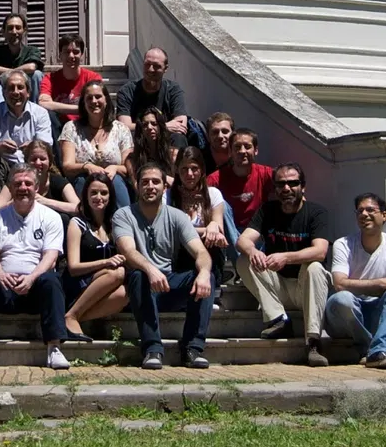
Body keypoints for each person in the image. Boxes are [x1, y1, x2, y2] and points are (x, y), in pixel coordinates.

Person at [0, 164, 70, 370]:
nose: (23, 187)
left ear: (36, 188)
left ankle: (54, 348)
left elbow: (51, 256)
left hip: (36, 289)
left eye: (28, 183)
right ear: (10, 189)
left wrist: (31, 278)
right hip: (5, 287)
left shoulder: (51, 217)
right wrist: (1, 275)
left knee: (52, 279)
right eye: (18, 184)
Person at [114, 161, 214, 369]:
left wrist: (204, 272)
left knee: (207, 277)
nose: (150, 186)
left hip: (169, 284)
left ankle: (192, 349)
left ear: (164, 187)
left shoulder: (176, 216)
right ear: (137, 186)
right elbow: (129, 251)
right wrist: (151, 269)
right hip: (141, 286)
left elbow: (201, 251)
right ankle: (152, 349)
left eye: (156, 182)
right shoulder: (123, 215)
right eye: (145, 182)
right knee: (138, 275)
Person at [235, 163, 332, 367]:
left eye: (292, 183)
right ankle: (279, 319)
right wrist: (254, 251)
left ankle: (313, 341)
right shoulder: (267, 209)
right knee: (244, 260)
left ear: (302, 187)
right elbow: (242, 241)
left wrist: (286, 257)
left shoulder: (316, 213)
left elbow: (320, 251)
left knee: (315, 267)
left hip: (305, 288)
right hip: (278, 287)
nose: (286, 189)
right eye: (281, 184)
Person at [326, 192, 386, 370]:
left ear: (384, 215)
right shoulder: (343, 244)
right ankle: (371, 349)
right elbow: (340, 284)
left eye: (370, 210)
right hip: (345, 316)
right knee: (342, 298)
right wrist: (381, 284)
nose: (364, 214)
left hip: (376, 313)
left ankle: (380, 350)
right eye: (360, 211)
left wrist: (357, 285)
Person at [61, 173, 128, 342]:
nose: (99, 197)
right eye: (93, 193)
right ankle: (72, 315)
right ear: (86, 196)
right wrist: (105, 262)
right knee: (117, 273)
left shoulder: (114, 224)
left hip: (103, 286)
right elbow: (73, 267)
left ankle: (71, 317)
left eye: (103, 193)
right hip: (77, 282)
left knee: (125, 294)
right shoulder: (77, 223)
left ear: (110, 196)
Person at [58, 78, 133, 210]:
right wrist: (87, 167)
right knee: (84, 180)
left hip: (114, 181)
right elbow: (67, 166)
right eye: (89, 98)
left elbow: (129, 167)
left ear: (106, 100)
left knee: (116, 180)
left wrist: (114, 168)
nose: (94, 101)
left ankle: (123, 223)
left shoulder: (121, 129)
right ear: (83, 102)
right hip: (84, 180)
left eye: (98, 97)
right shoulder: (71, 128)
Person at [168, 147, 230, 281]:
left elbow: (219, 233)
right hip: (178, 254)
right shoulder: (167, 197)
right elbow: (171, 232)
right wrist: (207, 229)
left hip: (208, 251)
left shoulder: (213, 194)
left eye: (194, 168)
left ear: (202, 170)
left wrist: (213, 225)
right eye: (184, 169)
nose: (189, 174)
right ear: (177, 170)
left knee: (214, 243)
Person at [207, 128, 272, 253]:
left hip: (255, 232)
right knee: (222, 204)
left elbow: (289, 188)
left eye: (247, 146)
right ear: (230, 151)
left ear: (256, 150)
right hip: (229, 232)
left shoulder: (265, 174)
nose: (242, 151)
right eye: (237, 147)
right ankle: (241, 258)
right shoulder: (215, 179)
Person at [117, 47, 189, 148]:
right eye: (147, 64)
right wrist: (164, 126)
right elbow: (123, 127)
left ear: (165, 68)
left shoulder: (173, 89)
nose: (150, 70)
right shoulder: (127, 91)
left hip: (164, 141)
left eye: (156, 66)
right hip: (138, 140)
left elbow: (181, 125)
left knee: (178, 138)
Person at [0, 71, 54, 167]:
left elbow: (46, 143)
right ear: (3, 93)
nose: (16, 92)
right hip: (4, 165)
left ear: (28, 92)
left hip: (32, 164)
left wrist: (33, 146)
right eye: (11, 88)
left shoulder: (41, 113)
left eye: (20, 87)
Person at [0, 139, 78, 215]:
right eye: (33, 159)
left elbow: (79, 208)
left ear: (50, 162)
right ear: (26, 161)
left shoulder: (58, 182)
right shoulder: (16, 182)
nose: (38, 163)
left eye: (42, 159)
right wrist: (14, 202)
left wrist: (45, 201)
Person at [39, 34, 102, 121]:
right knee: (48, 114)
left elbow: (95, 105)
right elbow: (43, 103)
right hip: (58, 126)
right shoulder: (50, 78)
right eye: (66, 52)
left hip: (84, 125)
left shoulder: (92, 78)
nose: (71, 56)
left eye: (76, 52)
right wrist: (81, 109)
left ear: (82, 55)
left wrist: (54, 105)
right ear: (60, 55)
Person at [0, 13, 43, 86]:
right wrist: (13, 72)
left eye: (18, 28)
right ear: (3, 32)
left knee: (37, 75)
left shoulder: (32, 50)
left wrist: (6, 74)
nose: (14, 32)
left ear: (24, 31)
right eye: (10, 28)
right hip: (2, 90)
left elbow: (31, 67)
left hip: (24, 90)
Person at [130, 107, 177, 186]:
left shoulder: (174, 155)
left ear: (160, 126)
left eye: (154, 124)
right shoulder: (133, 158)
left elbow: (178, 184)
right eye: (145, 125)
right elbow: (136, 186)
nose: (149, 127)